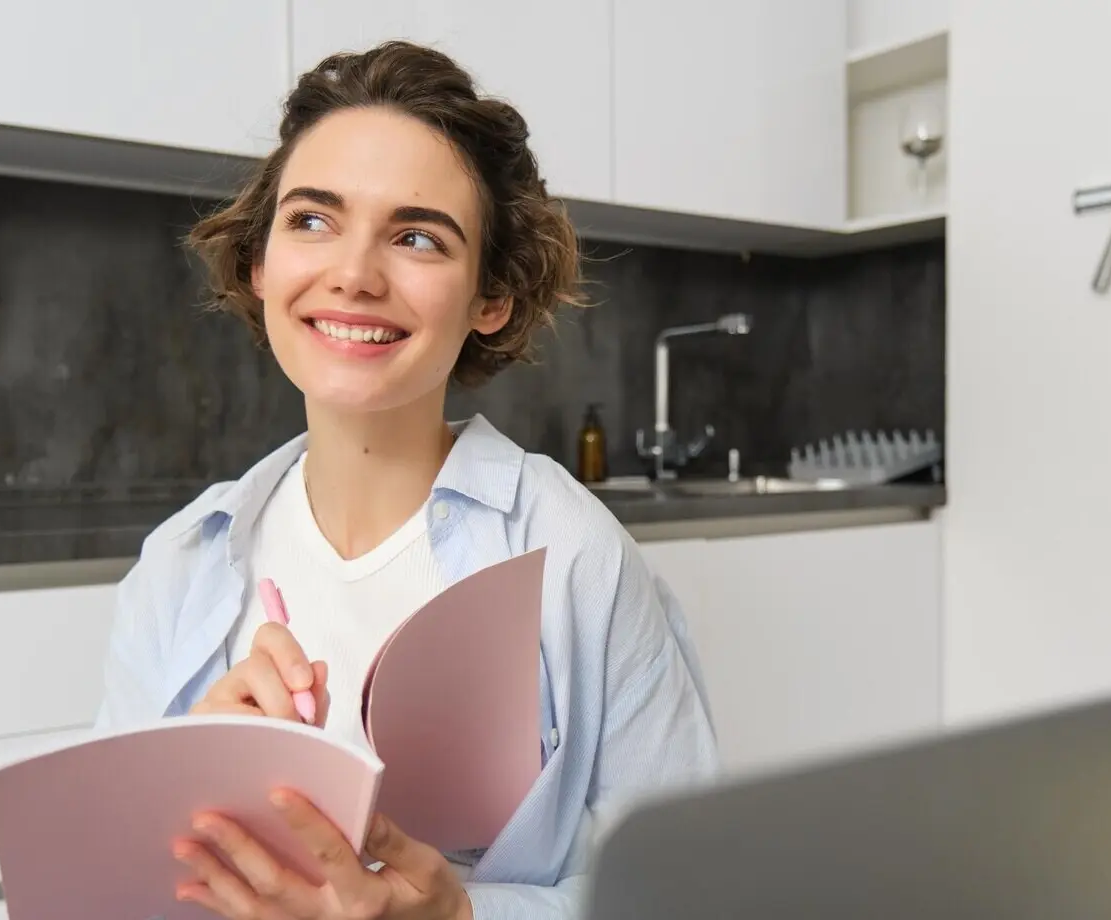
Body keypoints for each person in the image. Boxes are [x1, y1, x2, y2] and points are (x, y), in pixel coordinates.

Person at [92, 39, 719, 920]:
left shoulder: (574, 556)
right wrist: (180, 795)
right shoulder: (181, 564)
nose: (353, 274)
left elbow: (693, 889)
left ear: (490, 298)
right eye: (312, 220)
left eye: (417, 237)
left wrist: (461, 916)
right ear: (260, 262)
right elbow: (107, 896)